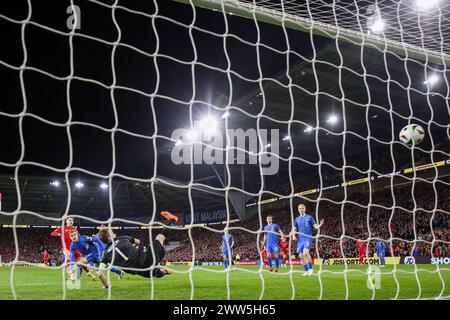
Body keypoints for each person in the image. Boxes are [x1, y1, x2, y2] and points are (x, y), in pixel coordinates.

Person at [97, 211, 177, 289]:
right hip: (147, 259)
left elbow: (100, 274)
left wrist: (107, 286)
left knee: (155, 273)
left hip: (140, 271)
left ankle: (164, 272)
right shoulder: (121, 238)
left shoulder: (105, 255)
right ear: (109, 238)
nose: (113, 231)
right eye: (111, 232)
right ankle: (173, 219)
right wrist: (134, 247)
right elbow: (138, 241)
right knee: (160, 237)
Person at [293, 204, 324, 276]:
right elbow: (294, 228)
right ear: (298, 210)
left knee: (306, 253)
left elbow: (315, 226)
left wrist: (319, 225)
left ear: (305, 209)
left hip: (307, 237)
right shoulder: (297, 219)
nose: (301, 209)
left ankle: (310, 270)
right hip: (300, 239)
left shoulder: (309, 217)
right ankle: (306, 271)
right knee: (301, 256)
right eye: (300, 208)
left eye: (302, 208)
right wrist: (294, 236)